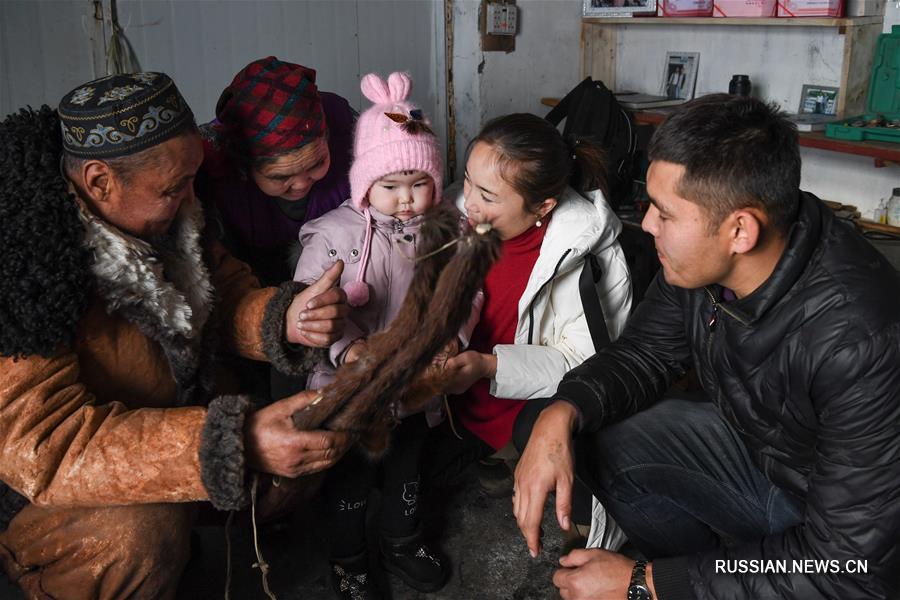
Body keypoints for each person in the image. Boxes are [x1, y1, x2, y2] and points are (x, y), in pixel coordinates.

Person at [513, 94, 900, 600]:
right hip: (767, 463)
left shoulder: (860, 340)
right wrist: (560, 413)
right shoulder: (703, 262)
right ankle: (704, 576)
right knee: (571, 426)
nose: (647, 224)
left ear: (740, 230)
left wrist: (641, 584)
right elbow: (643, 354)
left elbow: (850, 564)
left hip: (835, 534)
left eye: (665, 214)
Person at [0, 72, 351, 599]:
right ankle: (58, 572)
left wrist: (283, 317)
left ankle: (181, 552)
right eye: (172, 188)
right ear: (99, 183)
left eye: (191, 179)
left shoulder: (169, 212)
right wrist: (234, 441)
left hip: (165, 422)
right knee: (137, 538)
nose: (191, 197)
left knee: (299, 450)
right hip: (47, 489)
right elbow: (49, 446)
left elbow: (218, 292)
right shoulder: (24, 269)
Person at [290, 72, 451, 600]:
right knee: (350, 481)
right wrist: (346, 351)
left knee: (408, 470)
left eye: (419, 183)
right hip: (350, 389)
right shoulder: (334, 236)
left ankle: (402, 542)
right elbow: (312, 309)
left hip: (412, 384)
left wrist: (451, 335)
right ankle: (348, 559)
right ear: (364, 185)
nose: (407, 200)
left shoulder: (440, 232)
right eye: (391, 186)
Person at [441, 113, 632, 549]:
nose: (468, 201)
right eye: (467, 180)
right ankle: (491, 454)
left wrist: (487, 366)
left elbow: (591, 367)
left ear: (543, 206)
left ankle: (577, 517)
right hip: (463, 395)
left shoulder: (590, 254)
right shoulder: (457, 214)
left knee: (550, 430)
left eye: (487, 195)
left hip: (523, 397)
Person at [197, 56, 355, 286]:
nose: (301, 184)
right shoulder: (213, 172)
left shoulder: (352, 132)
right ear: (246, 166)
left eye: (316, 164)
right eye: (280, 176)